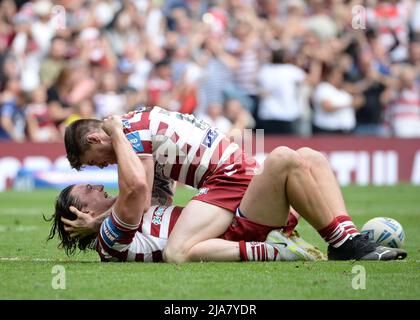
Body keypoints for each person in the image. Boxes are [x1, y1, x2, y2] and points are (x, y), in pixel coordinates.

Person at [62, 112, 407, 261]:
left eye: (95, 160)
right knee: (308, 156)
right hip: (231, 175)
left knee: (177, 253)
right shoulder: (139, 126)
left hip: (226, 178)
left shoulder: (130, 133)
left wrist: (98, 220)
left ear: (96, 137)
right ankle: (346, 236)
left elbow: (138, 190)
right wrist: (100, 220)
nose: (103, 168)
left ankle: (340, 242)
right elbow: (156, 195)